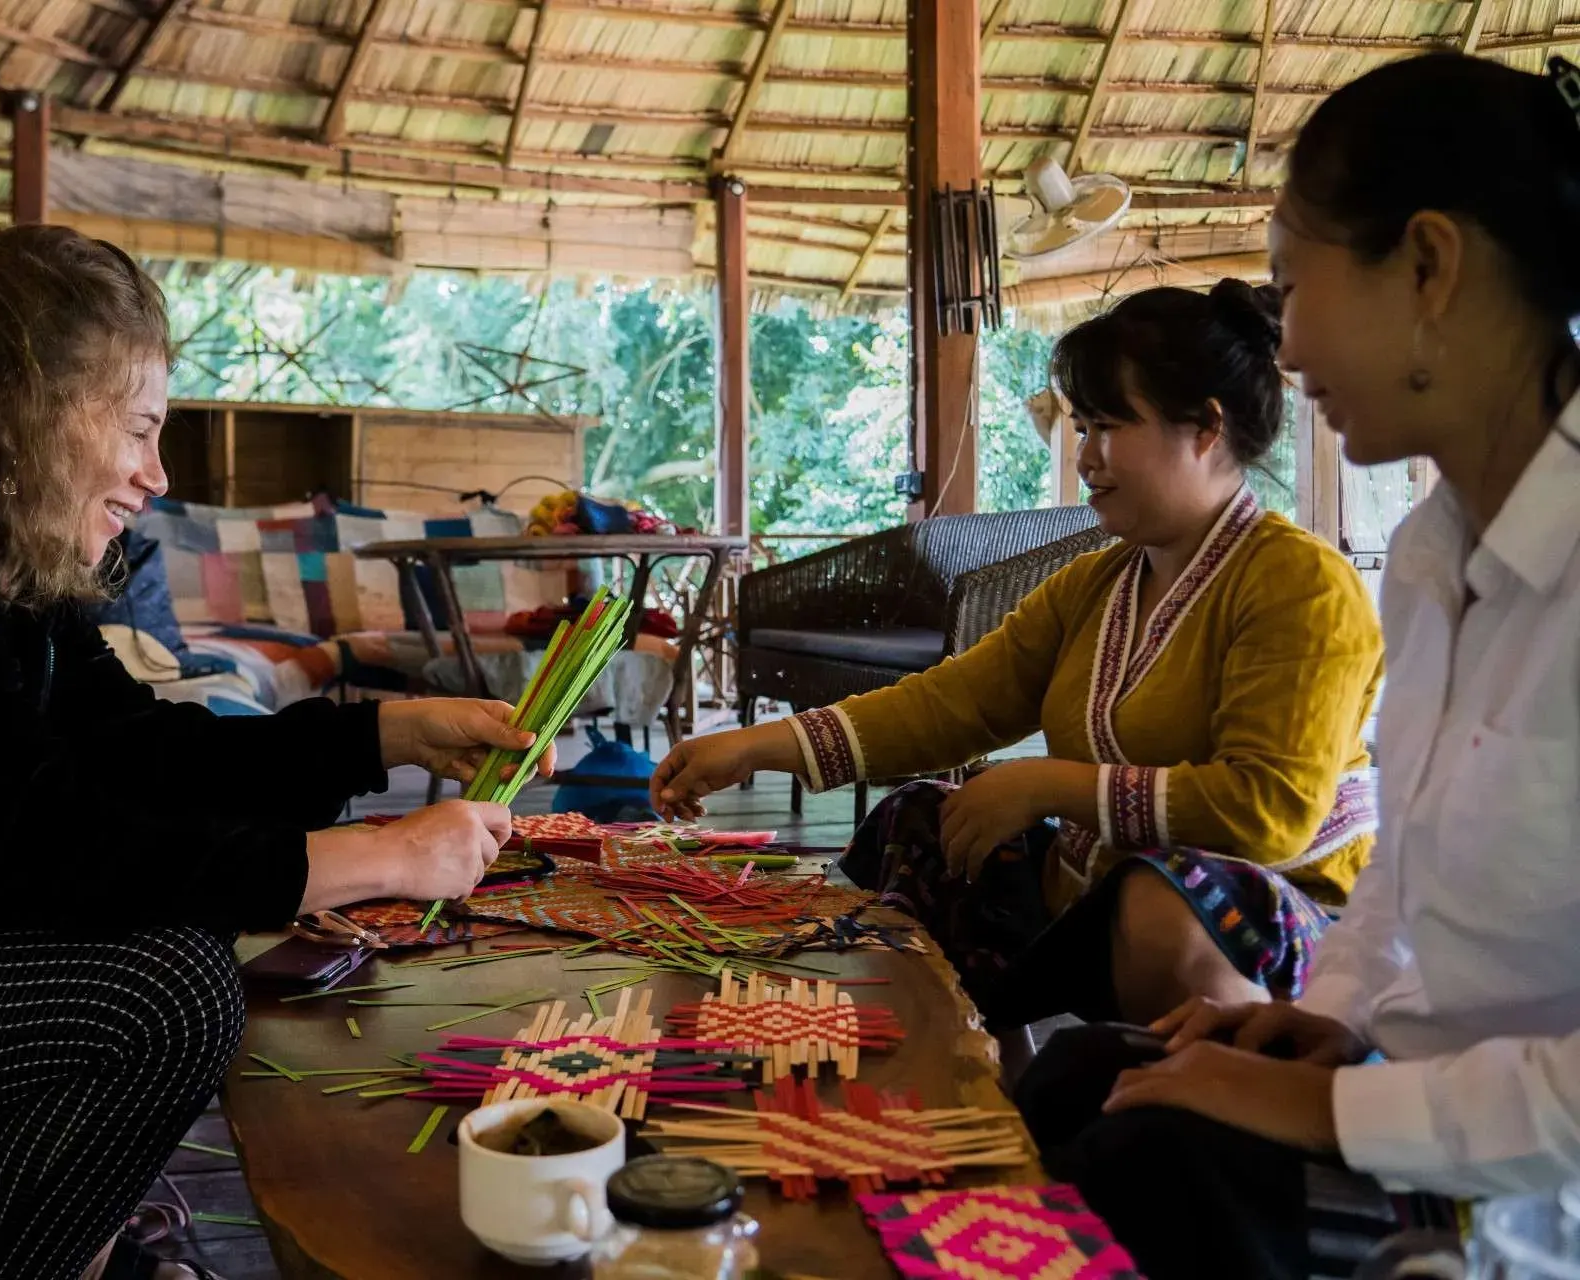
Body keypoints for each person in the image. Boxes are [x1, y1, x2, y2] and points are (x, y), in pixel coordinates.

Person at [0, 226, 544, 1280]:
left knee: (167, 962)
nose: (156, 475)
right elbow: (33, 847)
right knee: (161, 989)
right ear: (29, 405)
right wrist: (379, 859)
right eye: (138, 429)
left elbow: (133, 751)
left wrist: (377, 734)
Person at [1015, 53, 1580, 1280]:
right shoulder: (1437, 555)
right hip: (1424, 1097)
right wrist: (1318, 1026)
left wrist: (1339, 1110)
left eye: (1292, 285)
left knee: (1141, 1162)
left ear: (1429, 266)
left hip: (1531, 1191)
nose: (1287, 337)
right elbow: (1408, 876)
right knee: (1080, 1076)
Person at [653, 280, 1384, 1029]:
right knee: (921, 827)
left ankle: (1222, 1086)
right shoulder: (1097, 586)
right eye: (1083, 427)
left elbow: (1271, 813)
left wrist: (1047, 786)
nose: (1088, 457)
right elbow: (954, 704)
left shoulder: (1302, 585)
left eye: (1108, 427)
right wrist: (751, 749)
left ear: (1204, 428)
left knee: (1162, 894)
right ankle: (966, 1060)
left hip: (1263, 924)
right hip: (1095, 901)